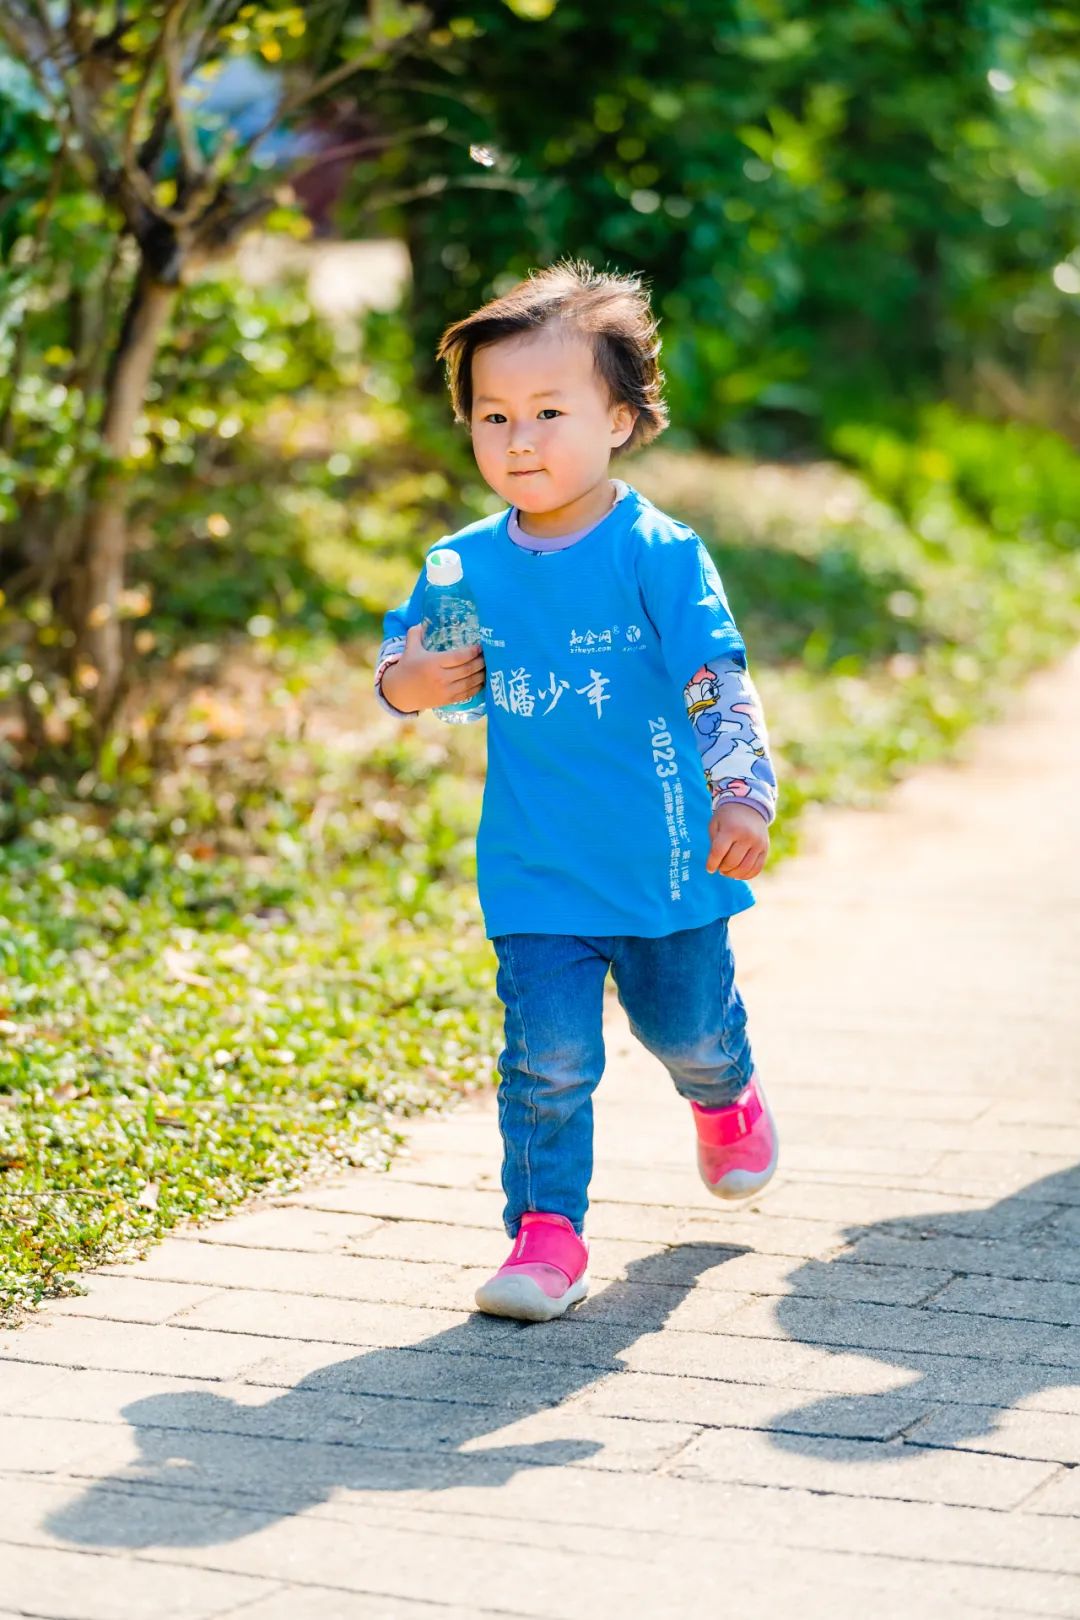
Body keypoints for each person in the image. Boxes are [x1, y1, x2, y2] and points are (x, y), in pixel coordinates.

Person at [373, 260, 779, 1323]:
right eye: (493, 415)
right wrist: (415, 682)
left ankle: (726, 1090)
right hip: (536, 866)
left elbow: (714, 679)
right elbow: (417, 672)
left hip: (665, 861)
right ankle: (545, 1234)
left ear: (620, 419)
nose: (519, 439)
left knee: (684, 1030)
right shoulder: (462, 565)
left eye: (550, 412)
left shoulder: (658, 554)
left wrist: (742, 793)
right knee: (546, 1061)